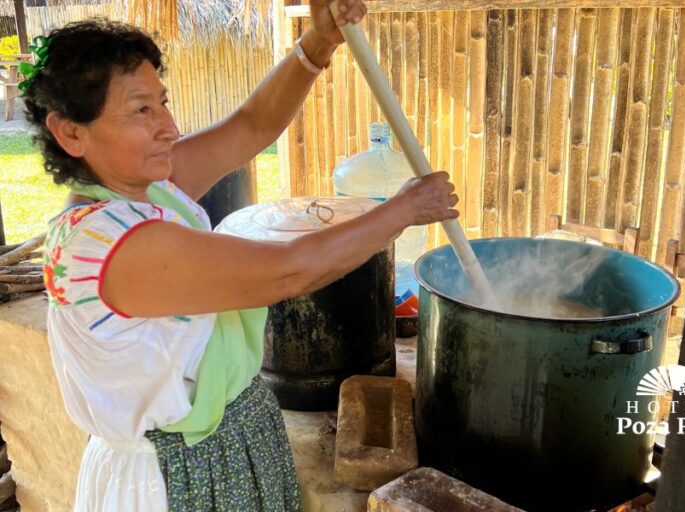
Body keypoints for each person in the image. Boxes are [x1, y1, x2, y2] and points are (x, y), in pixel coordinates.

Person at [22, 0, 459, 510]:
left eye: (163, 103)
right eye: (142, 109)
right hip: (178, 472)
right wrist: (403, 209)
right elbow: (288, 271)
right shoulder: (108, 245)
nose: (170, 126)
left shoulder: (146, 188)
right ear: (70, 132)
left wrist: (316, 44)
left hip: (228, 439)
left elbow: (252, 126)